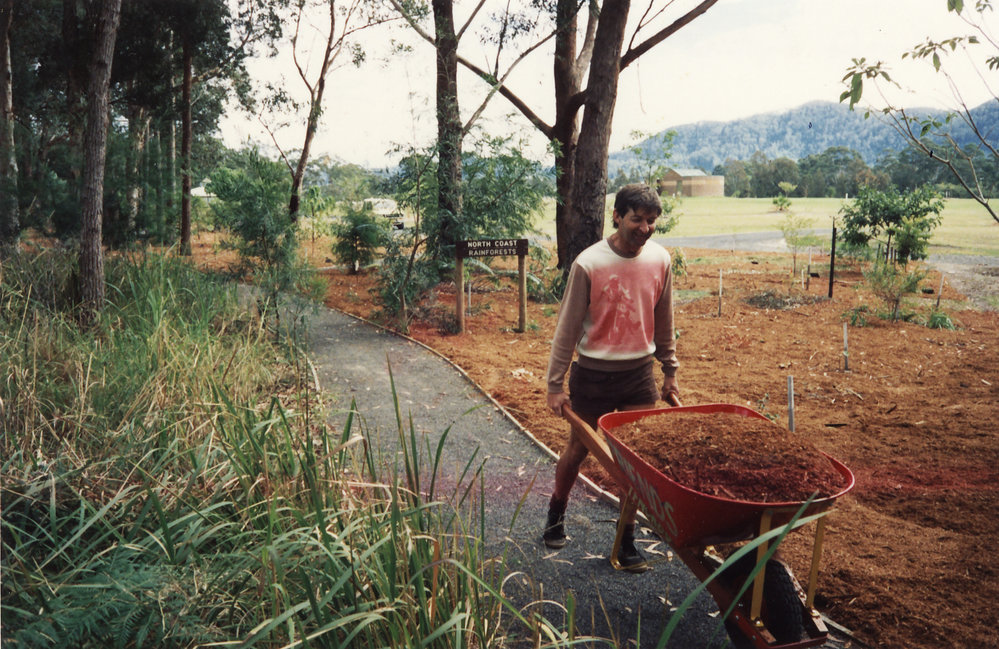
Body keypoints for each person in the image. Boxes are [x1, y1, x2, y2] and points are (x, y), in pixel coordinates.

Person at [542, 183, 680, 573]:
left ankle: (626, 538)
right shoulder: (590, 263)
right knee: (578, 449)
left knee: (635, 462)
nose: (645, 228)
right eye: (637, 219)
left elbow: (665, 320)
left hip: (639, 375)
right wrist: (554, 384)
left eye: (652, 221)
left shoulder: (660, 260)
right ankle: (556, 511)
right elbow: (567, 328)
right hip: (593, 376)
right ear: (617, 216)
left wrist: (670, 371)